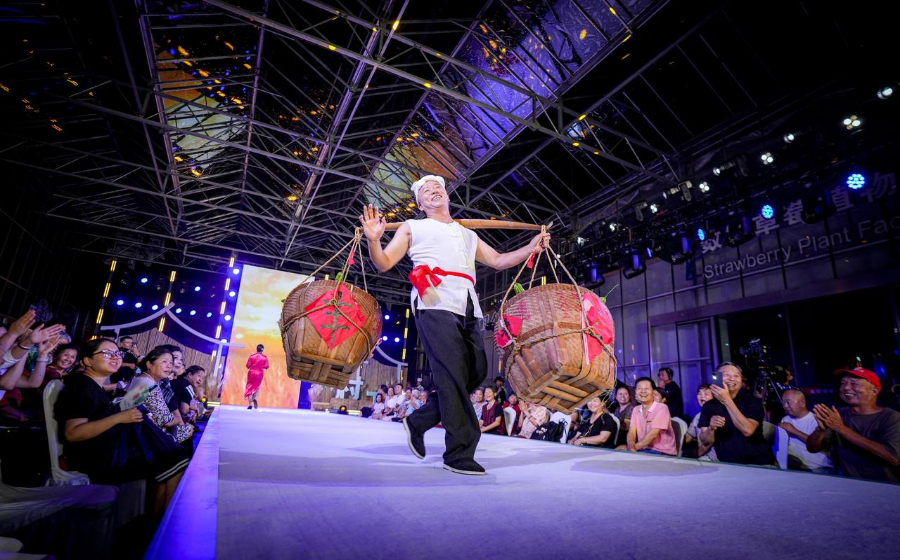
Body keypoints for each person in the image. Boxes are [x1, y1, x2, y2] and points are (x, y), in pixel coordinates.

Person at [362, 174, 550, 475]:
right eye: (426, 190)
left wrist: (531, 248)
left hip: (467, 304)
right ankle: (458, 453)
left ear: (447, 196)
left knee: (475, 371)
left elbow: (498, 260)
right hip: (433, 301)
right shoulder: (413, 227)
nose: (433, 190)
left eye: (438, 187)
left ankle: (419, 420)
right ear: (420, 204)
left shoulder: (466, 234)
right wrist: (374, 239)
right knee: (451, 374)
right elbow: (383, 262)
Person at [54, 339, 189, 518]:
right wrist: (120, 418)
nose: (116, 357)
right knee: (176, 457)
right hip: (97, 458)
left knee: (173, 459)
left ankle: (156, 522)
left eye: (117, 353)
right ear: (87, 360)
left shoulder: (94, 385)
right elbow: (73, 433)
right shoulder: (84, 386)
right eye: (107, 353)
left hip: (108, 449)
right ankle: (162, 523)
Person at [807, 367, 900, 482]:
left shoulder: (891, 417)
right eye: (843, 383)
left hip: (884, 487)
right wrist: (819, 431)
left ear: (874, 391)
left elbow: (894, 457)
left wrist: (841, 428)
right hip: (848, 486)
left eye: (854, 383)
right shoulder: (838, 415)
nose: (846, 387)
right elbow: (813, 448)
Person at [699, 362, 774, 466]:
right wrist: (710, 429)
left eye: (736, 376)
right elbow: (705, 441)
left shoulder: (753, 401)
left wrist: (726, 399)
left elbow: (748, 430)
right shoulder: (709, 406)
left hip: (757, 463)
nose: (732, 379)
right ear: (717, 378)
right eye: (727, 375)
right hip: (727, 465)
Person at [126, 347, 194, 444]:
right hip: (146, 437)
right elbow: (166, 421)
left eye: (171, 363)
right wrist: (179, 418)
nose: (169, 366)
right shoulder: (149, 385)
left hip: (137, 430)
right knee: (190, 429)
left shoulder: (139, 378)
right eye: (164, 362)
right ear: (149, 364)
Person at [778, 389, 832, 473]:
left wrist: (794, 431)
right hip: (793, 468)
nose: (785, 406)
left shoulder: (817, 420)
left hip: (817, 468)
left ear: (802, 403)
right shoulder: (785, 419)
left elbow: (821, 446)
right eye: (783, 402)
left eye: (788, 402)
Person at [619, 377, 677, 455]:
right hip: (643, 449)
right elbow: (632, 432)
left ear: (653, 392)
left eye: (646, 388)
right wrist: (630, 446)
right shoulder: (636, 409)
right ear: (635, 392)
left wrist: (631, 448)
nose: (643, 391)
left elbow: (653, 434)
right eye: (639, 388)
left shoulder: (662, 408)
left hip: (662, 452)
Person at [684, 384, 717, 461]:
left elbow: (708, 444)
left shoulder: (715, 415)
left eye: (706, 394)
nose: (702, 396)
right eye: (700, 393)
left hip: (713, 458)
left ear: (714, 397)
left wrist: (695, 455)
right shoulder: (698, 416)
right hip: (703, 456)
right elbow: (688, 437)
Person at [244, 344, 269, 410]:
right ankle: (255, 398)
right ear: (262, 350)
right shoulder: (264, 357)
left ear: (256, 349)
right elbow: (266, 366)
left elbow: (247, 365)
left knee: (249, 387)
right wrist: (261, 366)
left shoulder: (252, 357)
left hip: (251, 373)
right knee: (257, 387)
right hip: (259, 373)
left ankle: (250, 404)